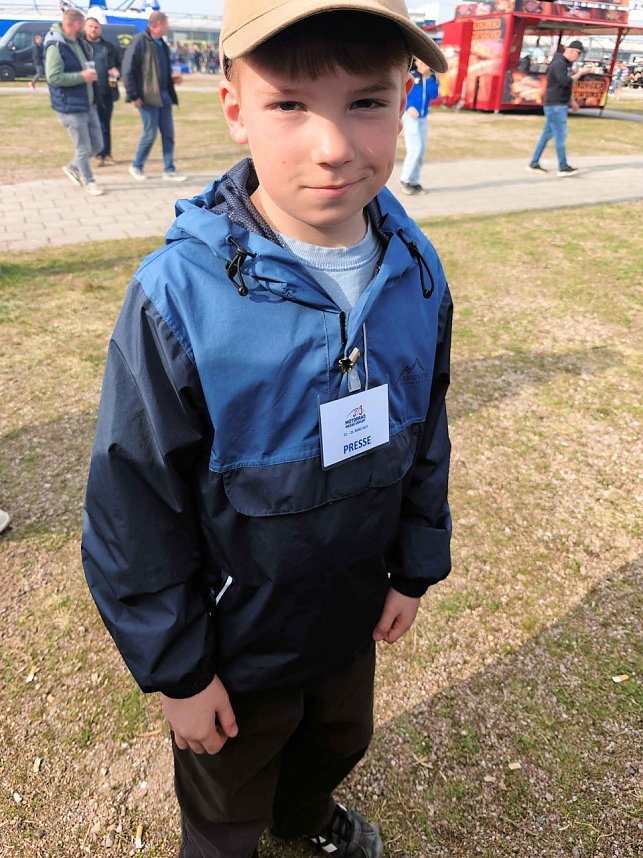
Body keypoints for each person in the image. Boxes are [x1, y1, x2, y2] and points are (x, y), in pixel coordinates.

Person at [82, 2, 452, 857]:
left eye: (367, 102)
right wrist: (180, 670)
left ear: (405, 101)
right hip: (235, 638)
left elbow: (426, 430)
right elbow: (131, 503)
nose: (332, 146)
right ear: (234, 108)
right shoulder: (177, 297)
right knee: (226, 800)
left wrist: (413, 564)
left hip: (349, 609)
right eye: (290, 104)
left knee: (338, 740)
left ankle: (305, 818)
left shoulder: (414, 268)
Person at [44, 9, 105, 196]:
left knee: (98, 145)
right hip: (70, 106)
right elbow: (53, 77)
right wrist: (81, 76)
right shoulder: (56, 44)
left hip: (87, 102)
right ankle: (89, 180)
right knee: (83, 147)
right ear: (78, 24)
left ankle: (73, 167)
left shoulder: (76, 41)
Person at [122, 11, 187, 182]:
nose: (169, 27)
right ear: (158, 24)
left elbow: (161, 69)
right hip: (147, 97)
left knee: (168, 133)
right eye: (167, 24)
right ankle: (136, 166)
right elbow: (127, 69)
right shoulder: (140, 41)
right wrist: (134, 95)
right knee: (149, 133)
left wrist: (174, 79)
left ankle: (169, 169)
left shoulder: (162, 44)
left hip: (164, 95)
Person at [528, 40, 593, 177]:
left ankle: (534, 162)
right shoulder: (559, 64)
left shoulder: (566, 64)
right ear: (570, 50)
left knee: (546, 135)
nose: (578, 56)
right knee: (560, 136)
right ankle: (563, 167)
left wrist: (572, 101)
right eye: (578, 53)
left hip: (559, 103)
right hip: (555, 105)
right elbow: (565, 81)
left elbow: (566, 87)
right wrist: (580, 73)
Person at [82, 17, 121, 166]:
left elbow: (119, 65)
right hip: (89, 92)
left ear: (100, 29)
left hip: (107, 91)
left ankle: (107, 153)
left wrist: (118, 73)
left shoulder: (108, 47)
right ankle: (97, 154)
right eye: (90, 26)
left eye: (96, 27)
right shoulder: (81, 46)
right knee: (93, 125)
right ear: (85, 28)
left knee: (106, 124)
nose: (93, 29)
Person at [399, 59, 439, 195]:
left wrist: (428, 77)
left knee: (421, 152)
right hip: (411, 117)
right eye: (421, 63)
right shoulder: (412, 75)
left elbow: (433, 94)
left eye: (426, 64)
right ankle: (405, 180)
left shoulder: (431, 77)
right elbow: (403, 92)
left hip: (422, 118)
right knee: (414, 150)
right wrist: (409, 106)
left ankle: (414, 182)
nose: (424, 66)